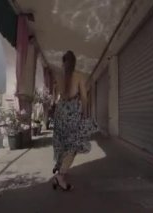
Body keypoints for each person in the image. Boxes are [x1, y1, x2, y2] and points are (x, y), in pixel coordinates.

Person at [52, 50, 98, 191]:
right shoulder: (79, 76)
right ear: (74, 63)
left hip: (60, 112)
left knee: (62, 141)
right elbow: (84, 98)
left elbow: (56, 97)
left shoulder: (59, 77)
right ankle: (60, 176)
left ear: (63, 63)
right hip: (73, 113)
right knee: (74, 145)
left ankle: (59, 166)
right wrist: (85, 114)